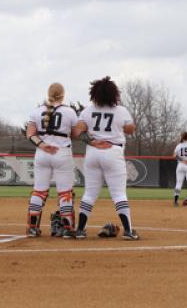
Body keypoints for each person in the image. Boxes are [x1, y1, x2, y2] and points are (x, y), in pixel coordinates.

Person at [73, 76, 139, 240]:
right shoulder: (121, 110)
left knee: (89, 193)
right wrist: (126, 125)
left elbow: (77, 131)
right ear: (113, 94)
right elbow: (130, 129)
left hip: (93, 152)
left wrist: (93, 141)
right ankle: (129, 231)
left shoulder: (88, 111)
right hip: (113, 151)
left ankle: (80, 230)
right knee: (118, 194)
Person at [25, 83, 79, 238]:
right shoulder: (69, 112)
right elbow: (75, 134)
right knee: (65, 193)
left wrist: (42, 145)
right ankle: (67, 228)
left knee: (39, 191)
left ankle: (32, 228)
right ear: (63, 94)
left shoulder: (37, 111)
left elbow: (30, 134)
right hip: (62, 153)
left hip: (42, 154)